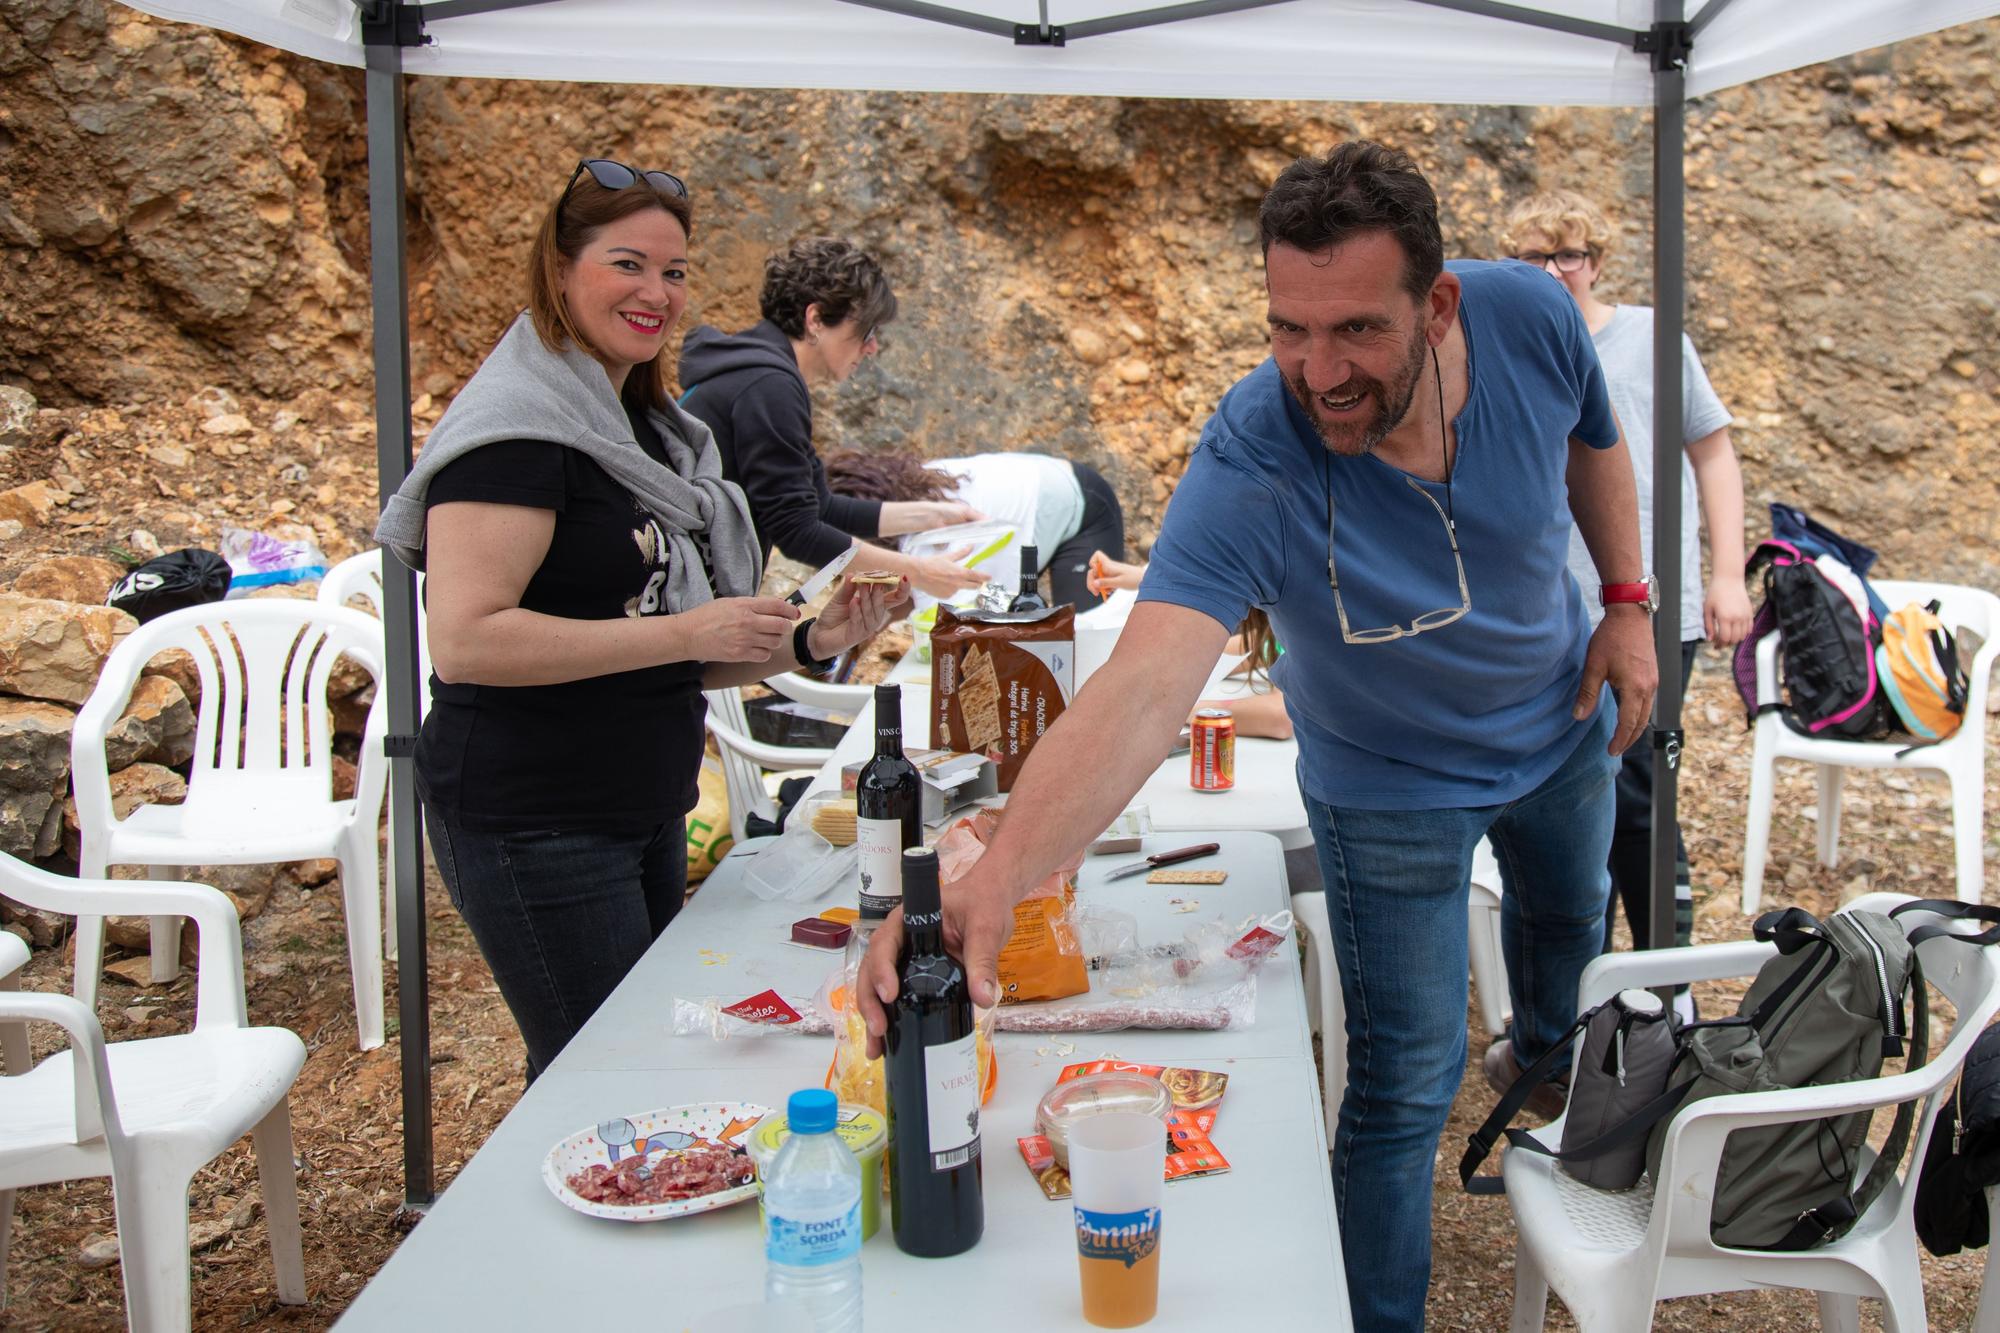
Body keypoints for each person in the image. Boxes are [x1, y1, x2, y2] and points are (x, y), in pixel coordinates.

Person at [857, 141, 1657, 1331]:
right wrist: (999, 876)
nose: (1314, 371)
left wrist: (1627, 603)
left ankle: (1547, 1078)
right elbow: (1143, 686)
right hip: (1386, 788)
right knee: (1397, 1083)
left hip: (1557, 723)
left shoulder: (1531, 315)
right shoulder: (1253, 451)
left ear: (1435, 305)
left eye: (1353, 334)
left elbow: (1595, 441)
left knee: (1565, 938)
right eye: (1288, 328)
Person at [374, 159, 907, 1081]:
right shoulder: (518, 431)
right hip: (536, 814)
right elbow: (465, 641)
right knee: (599, 1073)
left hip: (638, 801)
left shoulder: (648, 431)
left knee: (651, 1058)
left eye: (674, 271)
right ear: (560, 267)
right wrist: (683, 636)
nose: (655, 292)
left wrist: (819, 636)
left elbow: (681, 648)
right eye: (628, 264)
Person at [1504, 190, 1752, 1011]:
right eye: (1531, 258)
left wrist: (1725, 574)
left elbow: (1713, 455)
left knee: (1644, 801)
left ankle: (1664, 997)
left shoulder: (1651, 339)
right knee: (1559, 809)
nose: (1549, 272)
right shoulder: (1505, 343)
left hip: (1649, 611)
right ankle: (1575, 1002)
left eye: (1565, 255)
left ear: (1596, 261)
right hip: (1546, 613)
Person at [678, 237, 986, 599]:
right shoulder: (769, 385)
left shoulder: (759, 373)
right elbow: (797, 531)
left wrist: (935, 516)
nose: (871, 348)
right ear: (816, 318)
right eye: (867, 332)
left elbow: (820, 506)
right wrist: (918, 573)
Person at [823, 449, 1127, 609]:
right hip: (1038, 492)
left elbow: (949, 619)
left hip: (1084, 508)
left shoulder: (925, 542)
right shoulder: (912, 489)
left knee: (1087, 643)